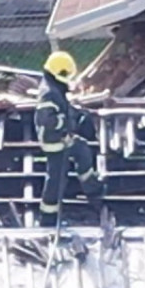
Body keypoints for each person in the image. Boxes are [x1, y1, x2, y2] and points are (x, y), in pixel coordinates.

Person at [35, 51, 102, 226]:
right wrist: (65, 124)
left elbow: (62, 107)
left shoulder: (54, 87)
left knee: (82, 149)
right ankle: (48, 218)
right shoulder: (48, 93)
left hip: (62, 138)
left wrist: (77, 113)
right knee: (56, 180)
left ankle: (93, 189)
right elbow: (46, 120)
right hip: (54, 143)